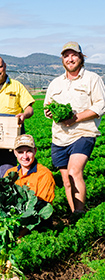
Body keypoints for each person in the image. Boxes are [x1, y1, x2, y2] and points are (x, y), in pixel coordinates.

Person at [44, 41, 105, 217]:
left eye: (73, 55)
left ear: (81, 57)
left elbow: (101, 105)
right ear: (62, 59)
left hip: (83, 133)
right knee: (66, 180)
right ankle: (74, 215)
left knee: (74, 172)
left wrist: (76, 117)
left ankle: (79, 211)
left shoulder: (92, 79)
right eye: (66, 56)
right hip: (59, 137)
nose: (70, 59)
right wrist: (50, 112)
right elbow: (47, 107)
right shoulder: (55, 83)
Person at [4, 134, 55, 204]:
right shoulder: (10, 172)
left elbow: (43, 205)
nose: (25, 156)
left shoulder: (44, 174)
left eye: (29, 151)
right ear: (15, 153)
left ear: (35, 151)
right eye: (20, 152)